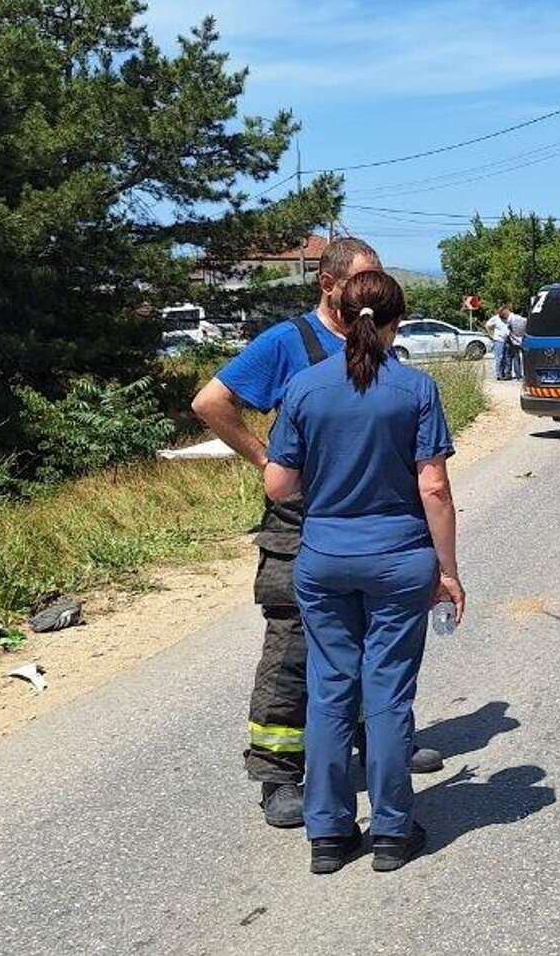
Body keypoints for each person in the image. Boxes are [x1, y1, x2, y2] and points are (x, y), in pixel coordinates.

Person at [190, 237, 443, 830]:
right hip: (302, 524)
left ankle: (372, 751)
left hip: (366, 527)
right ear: (328, 285)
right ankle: (279, 770)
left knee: (361, 646)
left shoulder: (377, 343)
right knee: (295, 646)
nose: (372, 291)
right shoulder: (289, 343)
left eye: (378, 280)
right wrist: (264, 461)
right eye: (362, 279)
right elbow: (211, 402)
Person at [265, 269, 464, 875]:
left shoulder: (303, 388)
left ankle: (327, 833)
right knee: (387, 692)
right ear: (397, 321)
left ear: (340, 313)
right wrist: (448, 571)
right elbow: (433, 485)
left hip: (323, 560)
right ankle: (392, 833)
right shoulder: (416, 389)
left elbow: (278, 482)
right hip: (399, 562)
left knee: (330, 690)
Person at [484, 305, 512, 380]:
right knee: (499, 357)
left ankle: (507, 374)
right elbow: (487, 325)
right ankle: (499, 374)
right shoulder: (495, 318)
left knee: (507, 358)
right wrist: (491, 335)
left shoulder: (509, 318)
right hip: (499, 340)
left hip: (508, 340)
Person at [504, 303, 528, 380]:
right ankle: (527, 374)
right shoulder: (521, 319)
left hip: (514, 342)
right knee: (526, 358)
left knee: (516, 358)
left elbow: (507, 333)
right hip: (524, 340)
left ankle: (518, 375)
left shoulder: (508, 322)